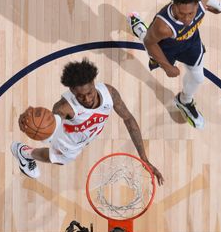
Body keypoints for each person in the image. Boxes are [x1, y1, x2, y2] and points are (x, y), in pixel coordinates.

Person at [10, 58, 165, 184]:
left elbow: (129, 120)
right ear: (72, 91)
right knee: (60, 159)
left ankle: (26, 153)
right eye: (80, 96)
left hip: (83, 137)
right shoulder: (64, 107)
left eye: (90, 92)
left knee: (60, 159)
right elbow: (49, 121)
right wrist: (29, 121)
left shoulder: (110, 94)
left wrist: (144, 159)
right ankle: (24, 152)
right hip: (66, 139)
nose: (87, 99)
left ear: (93, 83)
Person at [127, 0, 221, 129]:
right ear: (174, 5)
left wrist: (219, 8)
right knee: (148, 38)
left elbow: (215, 4)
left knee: (198, 78)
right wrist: (167, 67)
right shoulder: (163, 26)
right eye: (181, 13)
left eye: (190, 13)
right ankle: (140, 29)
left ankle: (184, 101)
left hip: (191, 43)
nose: (186, 19)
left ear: (198, 4)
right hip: (166, 47)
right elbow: (150, 43)